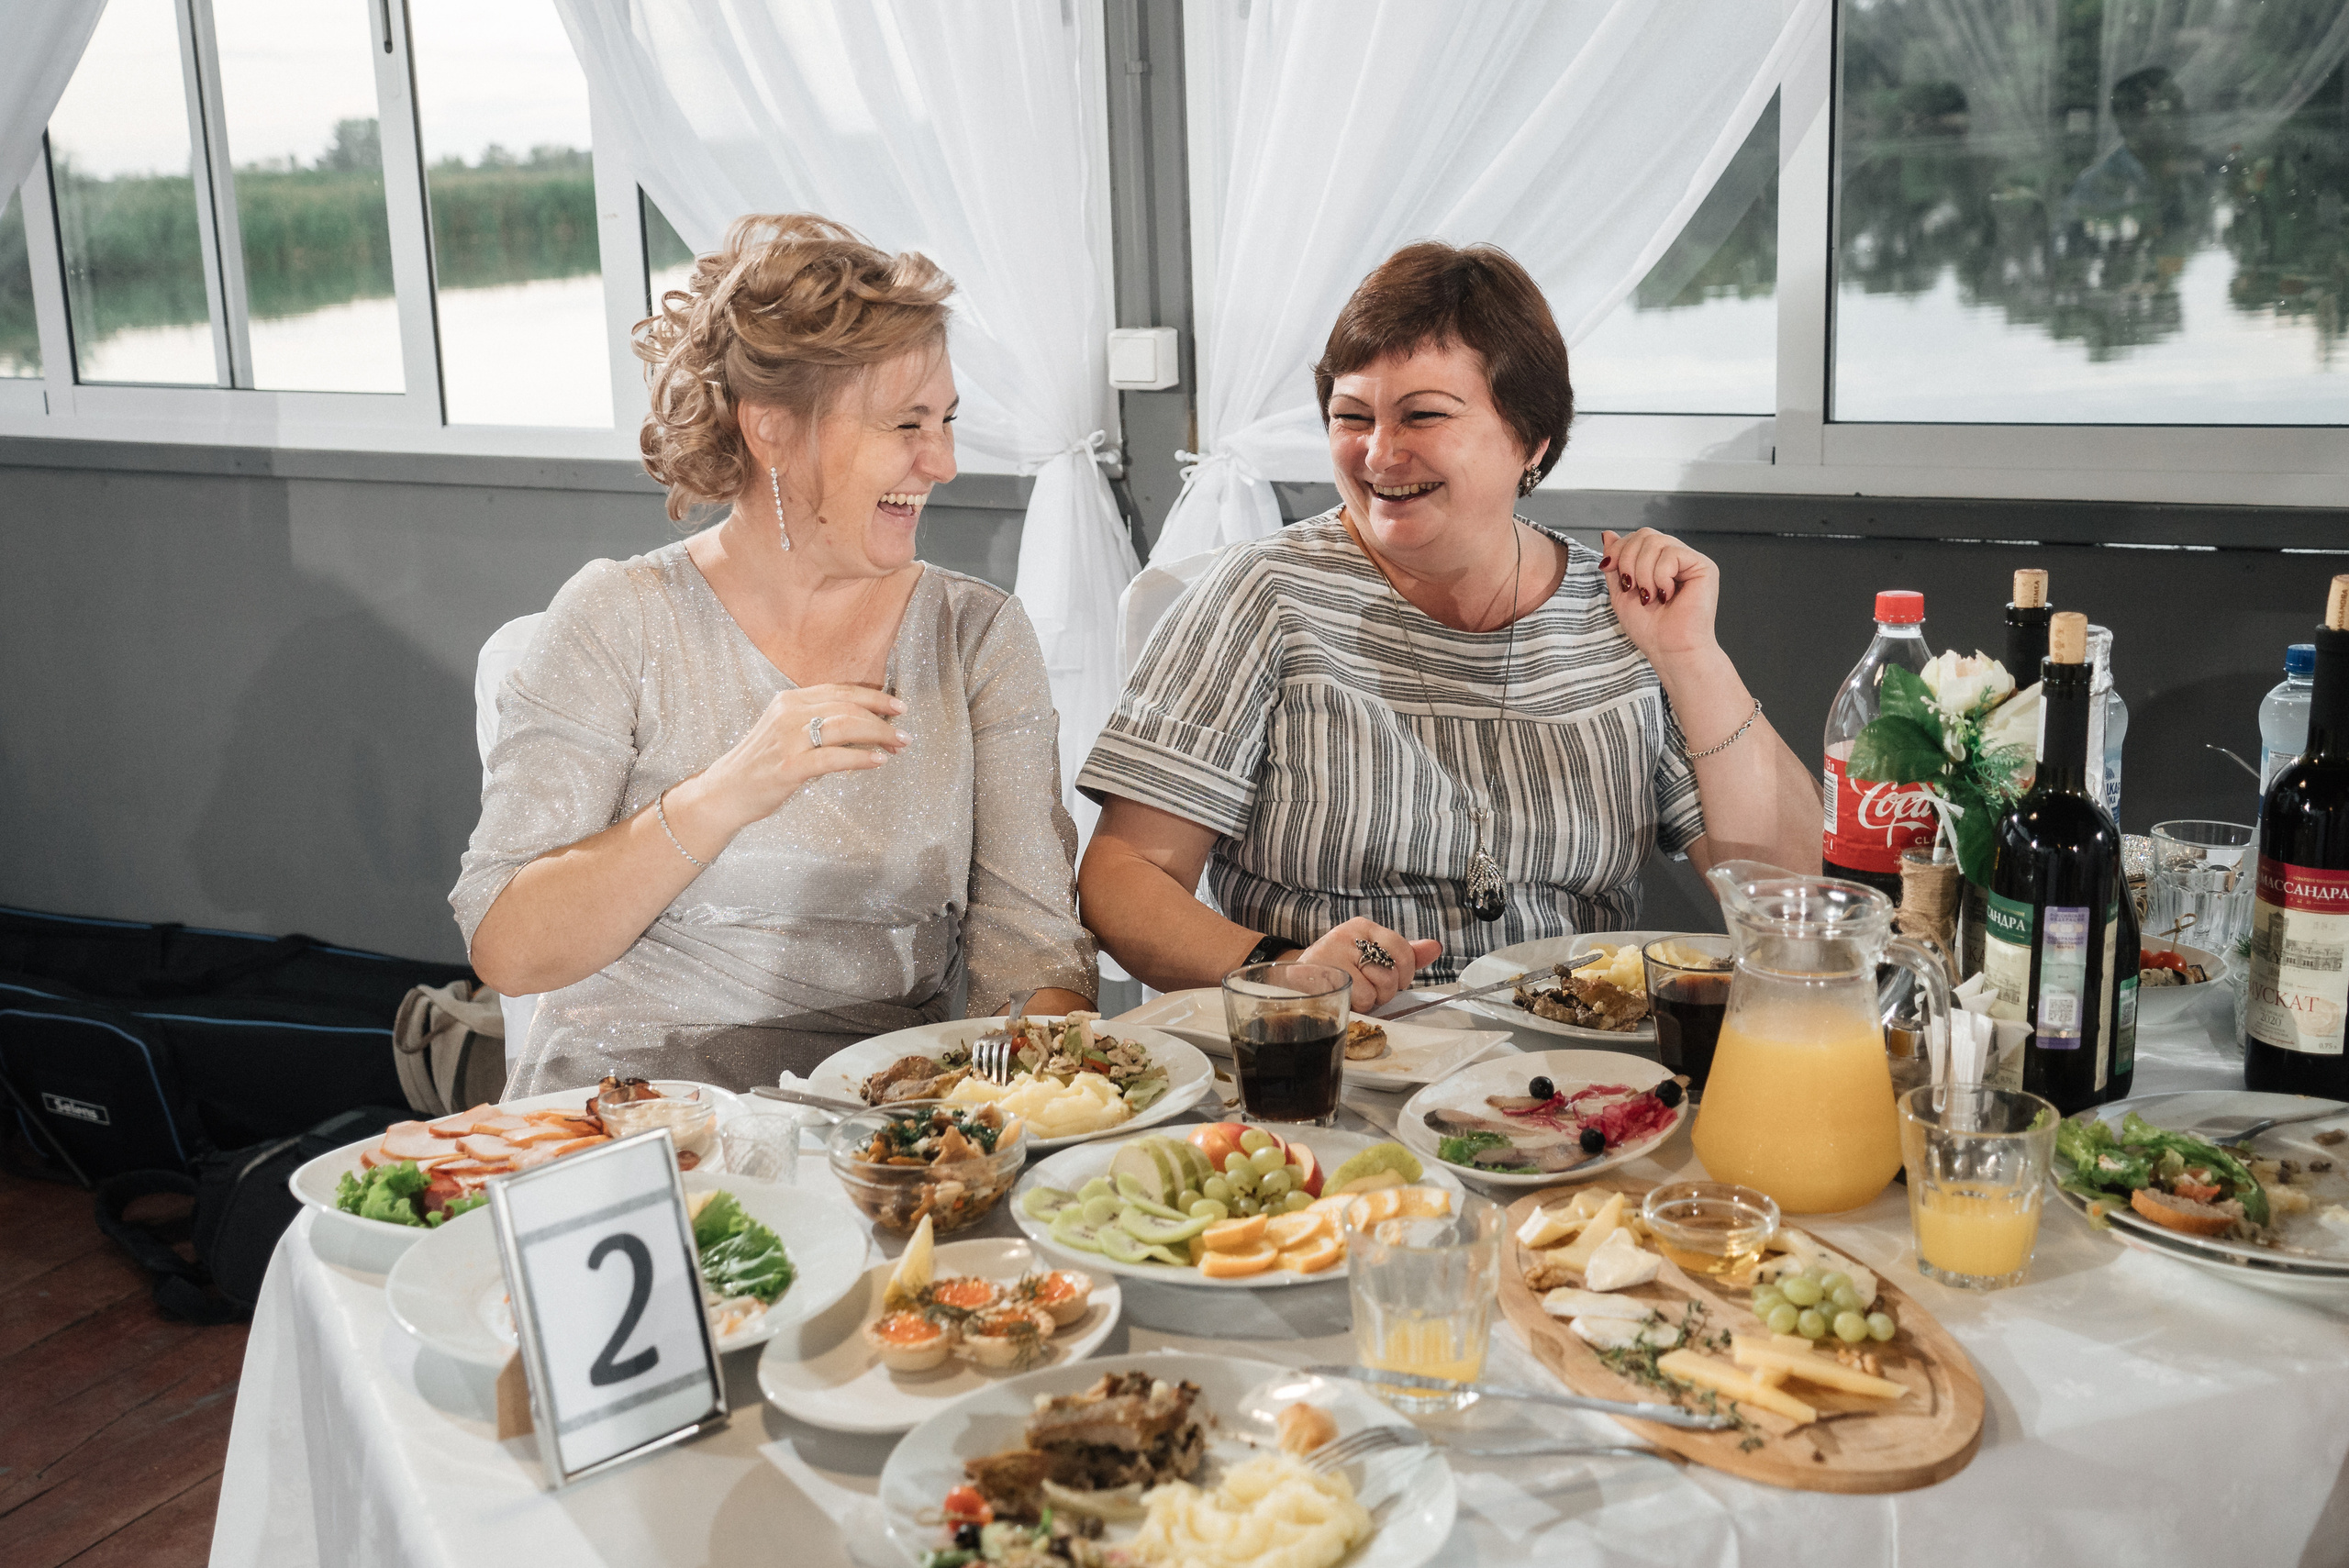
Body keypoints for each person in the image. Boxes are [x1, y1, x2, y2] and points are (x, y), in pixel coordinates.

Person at [1075, 240, 1818, 1012]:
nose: (1379, 452)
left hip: (1582, 1070)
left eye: (1422, 415)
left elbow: (1791, 897)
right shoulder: (1263, 596)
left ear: (1532, 439)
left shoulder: (1619, 614)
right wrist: (1285, 970)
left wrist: (1693, 658)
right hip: (1336, 1065)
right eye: (1350, 417)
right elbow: (1121, 876)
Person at [454, 214, 1095, 1096]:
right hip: (626, 1123)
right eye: (906, 423)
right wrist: (731, 788)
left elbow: (1033, 956)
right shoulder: (622, 616)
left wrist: (1045, 1109)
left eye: (947, 419)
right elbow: (509, 947)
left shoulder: (976, 635)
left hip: (874, 1129)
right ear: (772, 430)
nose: (942, 460)